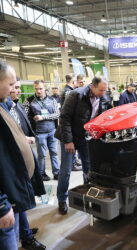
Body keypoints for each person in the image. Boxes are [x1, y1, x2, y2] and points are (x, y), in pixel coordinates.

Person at [0, 61, 44, 250]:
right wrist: (1, 205)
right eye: (10, 85)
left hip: (11, 191)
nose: (13, 89)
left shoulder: (2, 105)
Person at [55, 76, 112, 215]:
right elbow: (64, 118)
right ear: (92, 86)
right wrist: (68, 141)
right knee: (66, 170)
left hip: (87, 138)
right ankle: (62, 199)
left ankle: (88, 196)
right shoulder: (76, 95)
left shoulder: (104, 97)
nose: (103, 93)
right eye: (101, 90)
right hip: (70, 138)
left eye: (105, 90)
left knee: (89, 169)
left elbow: (105, 117)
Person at [23, 80, 60, 181]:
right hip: (39, 133)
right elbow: (24, 116)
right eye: (36, 89)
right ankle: (41, 173)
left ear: (45, 88)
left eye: (40, 88)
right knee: (42, 155)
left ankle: (57, 173)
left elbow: (57, 114)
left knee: (54, 153)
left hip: (52, 131)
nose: (38, 91)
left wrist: (44, 117)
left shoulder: (52, 100)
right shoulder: (29, 101)